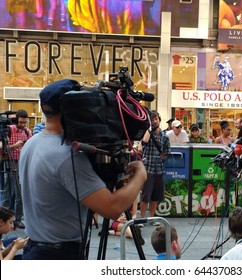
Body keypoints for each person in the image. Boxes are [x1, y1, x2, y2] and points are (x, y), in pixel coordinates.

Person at [18, 79, 147, 260]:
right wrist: (140, 175)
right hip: (58, 256)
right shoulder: (65, 156)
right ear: (72, 109)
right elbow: (112, 208)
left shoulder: (32, 143)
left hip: (35, 248)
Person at [1, 109, 32, 229]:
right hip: (9, 162)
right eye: (21, 122)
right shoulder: (10, 130)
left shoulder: (28, 132)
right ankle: (4, 219)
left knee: (20, 192)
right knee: (7, 192)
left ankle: (18, 219)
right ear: (16, 120)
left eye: (25, 122)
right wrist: (15, 146)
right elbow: (2, 149)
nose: (23, 125)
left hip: (22, 163)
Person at [139, 111, 170, 226]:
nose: (154, 121)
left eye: (156, 119)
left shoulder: (165, 137)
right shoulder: (147, 133)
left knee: (156, 196)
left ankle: (151, 218)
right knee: (145, 196)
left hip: (159, 168)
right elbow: (144, 142)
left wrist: (164, 155)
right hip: (148, 168)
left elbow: (167, 151)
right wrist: (149, 129)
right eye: (152, 119)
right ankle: (141, 219)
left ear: (159, 120)